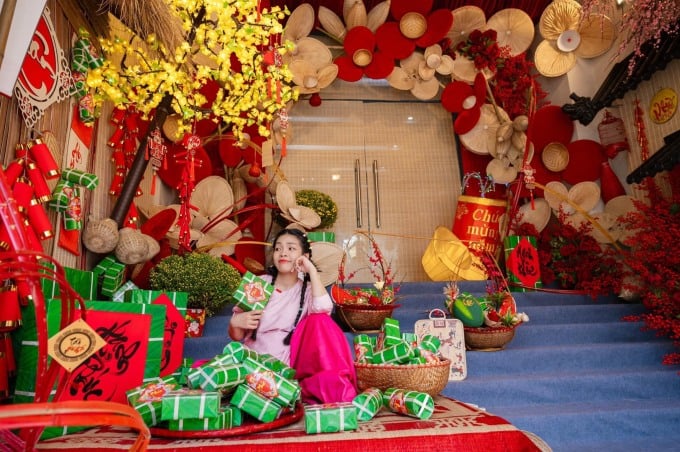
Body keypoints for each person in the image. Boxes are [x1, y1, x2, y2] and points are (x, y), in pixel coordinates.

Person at [228, 228, 357, 403]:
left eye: (291, 248)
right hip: (253, 362)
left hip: (286, 367)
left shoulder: (307, 290)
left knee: (320, 320)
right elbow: (237, 336)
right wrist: (236, 323)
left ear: (304, 256)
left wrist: (311, 270)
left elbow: (324, 309)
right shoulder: (259, 284)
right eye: (278, 248)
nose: (283, 253)